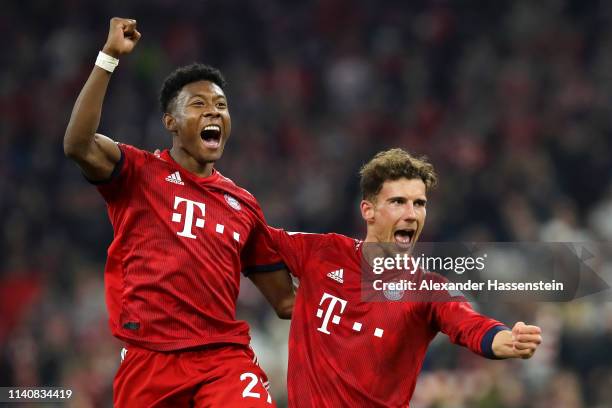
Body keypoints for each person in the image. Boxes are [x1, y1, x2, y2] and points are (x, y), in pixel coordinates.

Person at [64, 17, 293, 407]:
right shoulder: (138, 173)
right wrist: (108, 58)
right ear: (170, 121)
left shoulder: (243, 205)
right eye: (199, 105)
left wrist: (360, 292)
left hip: (223, 360)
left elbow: (286, 301)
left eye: (221, 106)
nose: (214, 113)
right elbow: (78, 145)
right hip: (148, 359)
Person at [268, 148, 543, 407]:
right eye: (398, 202)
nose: (411, 214)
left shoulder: (428, 290)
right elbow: (252, 237)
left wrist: (502, 339)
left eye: (419, 204)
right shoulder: (323, 252)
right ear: (368, 210)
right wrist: (280, 295)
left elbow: (469, 323)